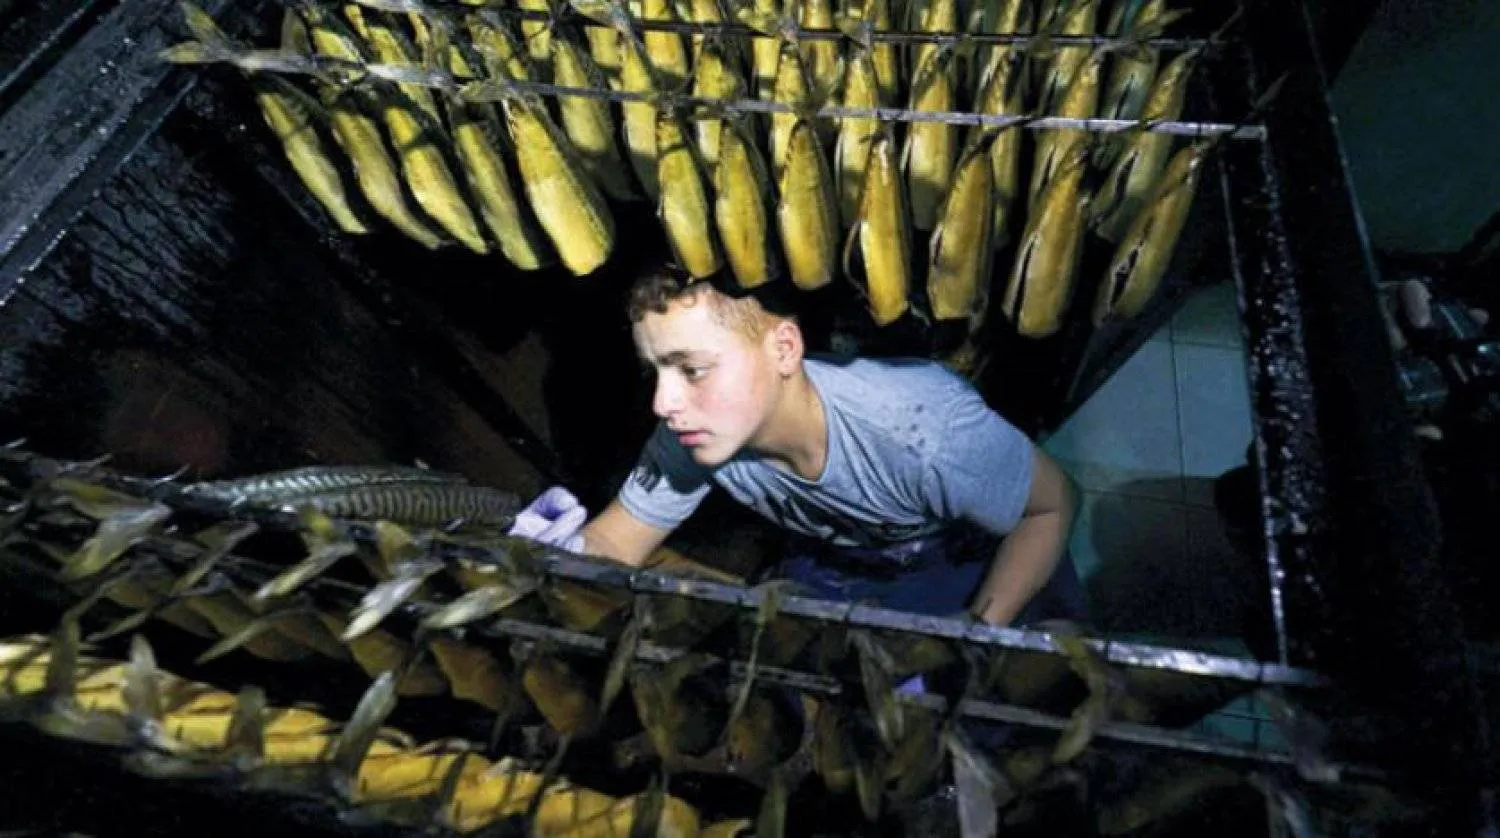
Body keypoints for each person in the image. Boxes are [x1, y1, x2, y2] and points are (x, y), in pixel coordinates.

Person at [508, 267, 1087, 627]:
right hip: (841, 558)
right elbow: (615, 539)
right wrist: (559, 555)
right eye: (657, 372)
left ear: (784, 350)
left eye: (692, 369)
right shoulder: (690, 435)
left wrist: (980, 633)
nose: (663, 403)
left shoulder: (917, 429)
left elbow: (1052, 505)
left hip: (965, 552)